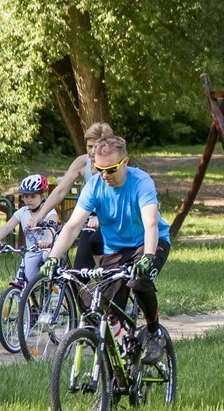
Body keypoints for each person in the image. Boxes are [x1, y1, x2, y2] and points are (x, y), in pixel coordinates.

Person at [42, 136, 172, 364]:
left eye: (111, 169)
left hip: (149, 242)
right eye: (99, 169)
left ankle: (154, 333)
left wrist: (149, 256)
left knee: (139, 280)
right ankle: (122, 360)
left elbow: (151, 223)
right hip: (116, 249)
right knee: (107, 310)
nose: (105, 175)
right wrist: (54, 257)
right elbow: (73, 226)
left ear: (125, 162)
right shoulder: (94, 186)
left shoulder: (141, 182)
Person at [32, 122, 114, 269]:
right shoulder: (82, 162)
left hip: (112, 219)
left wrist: (101, 218)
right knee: (80, 272)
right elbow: (60, 191)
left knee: (110, 272)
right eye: (89, 146)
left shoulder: (114, 167)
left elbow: (118, 198)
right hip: (89, 219)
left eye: (96, 147)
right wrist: (40, 215)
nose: (92, 151)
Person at [0, 174, 59, 288]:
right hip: (32, 251)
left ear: (42, 196)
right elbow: (7, 227)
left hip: (49, 250)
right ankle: (21, 298)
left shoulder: (49, 212)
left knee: (47, 257)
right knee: (21, 285)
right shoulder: (22, 212)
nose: (28, 200)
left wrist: (48, 241)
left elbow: (52, 226)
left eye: (33, 196)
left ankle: (56, 291)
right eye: (25, 196)